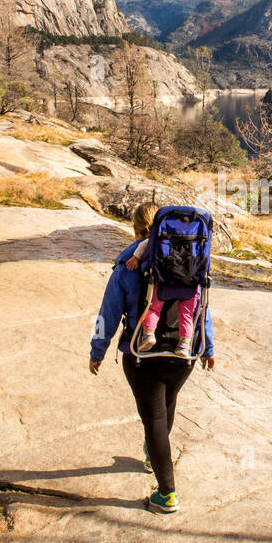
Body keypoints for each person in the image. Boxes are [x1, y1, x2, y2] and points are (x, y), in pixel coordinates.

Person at [90, 203, 214, 513]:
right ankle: (152, 454)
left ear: (135, 228)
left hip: (143, 354)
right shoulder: (191, 257)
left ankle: (167, 493)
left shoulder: (128, 263)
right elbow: (202, 307)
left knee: (155, 419)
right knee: (166, 405)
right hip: (183, 353)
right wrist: (208, 347)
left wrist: (97, 351)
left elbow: (109, 312)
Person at [126, 232, 202, 356]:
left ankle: (149, 334)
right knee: (187, 314)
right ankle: (184, 344)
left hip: (166, 280)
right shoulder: (198, 234)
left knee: (154, 309)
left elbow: (146, 243)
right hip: (190, 283)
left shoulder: (166, 229)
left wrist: (136, 257)